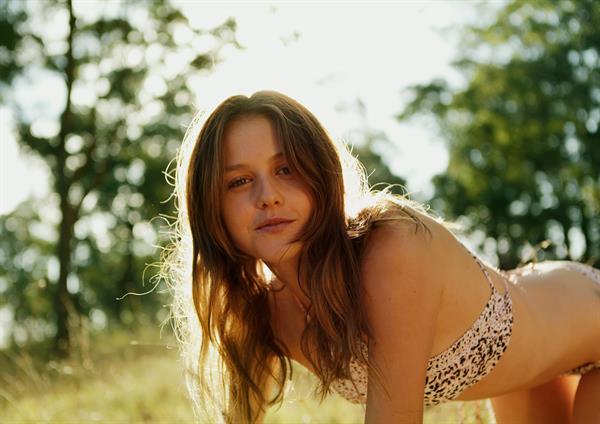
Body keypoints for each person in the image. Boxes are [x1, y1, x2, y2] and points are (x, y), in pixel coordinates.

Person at [163, 90, 600, 424]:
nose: (268, 196)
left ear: (322, 175)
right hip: (528, 369)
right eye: (239, 182)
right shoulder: (260, 313)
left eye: (286, 169)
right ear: (210, 207)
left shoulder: (391, 247)